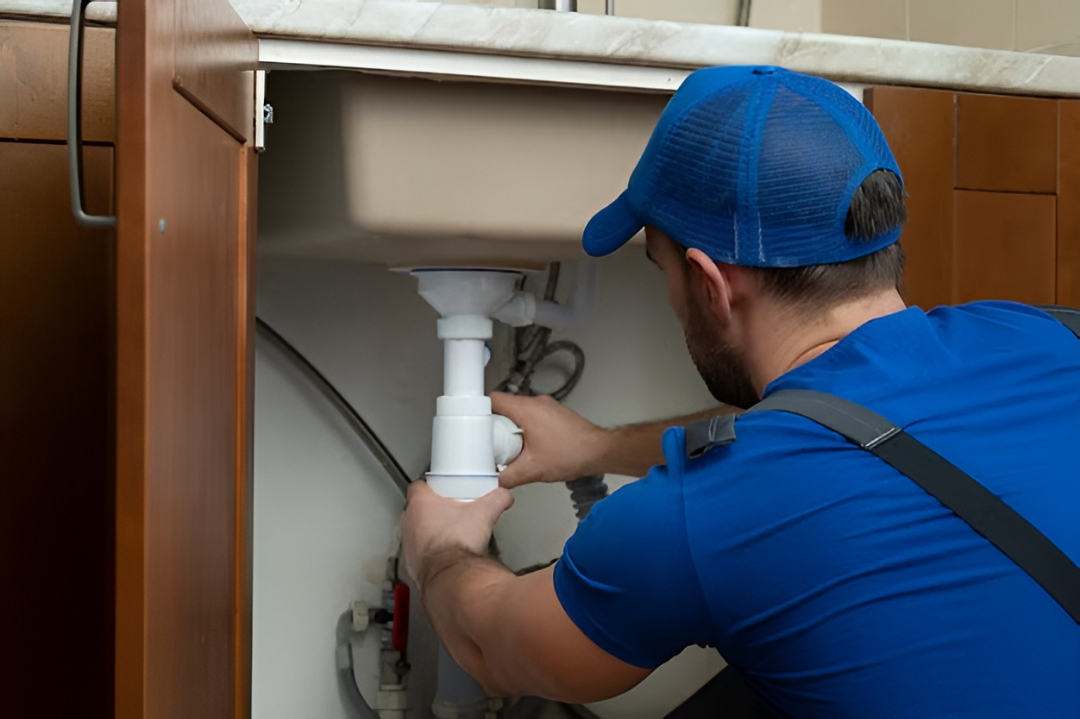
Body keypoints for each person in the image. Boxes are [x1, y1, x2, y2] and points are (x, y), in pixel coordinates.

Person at [400, 66, 1080, 717]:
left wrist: (440, 550)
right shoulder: (1049, 338)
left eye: (660, 268)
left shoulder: (702, 514)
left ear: (710, 283)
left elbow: (495, 645)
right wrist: (599, 447)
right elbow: (835, 430)